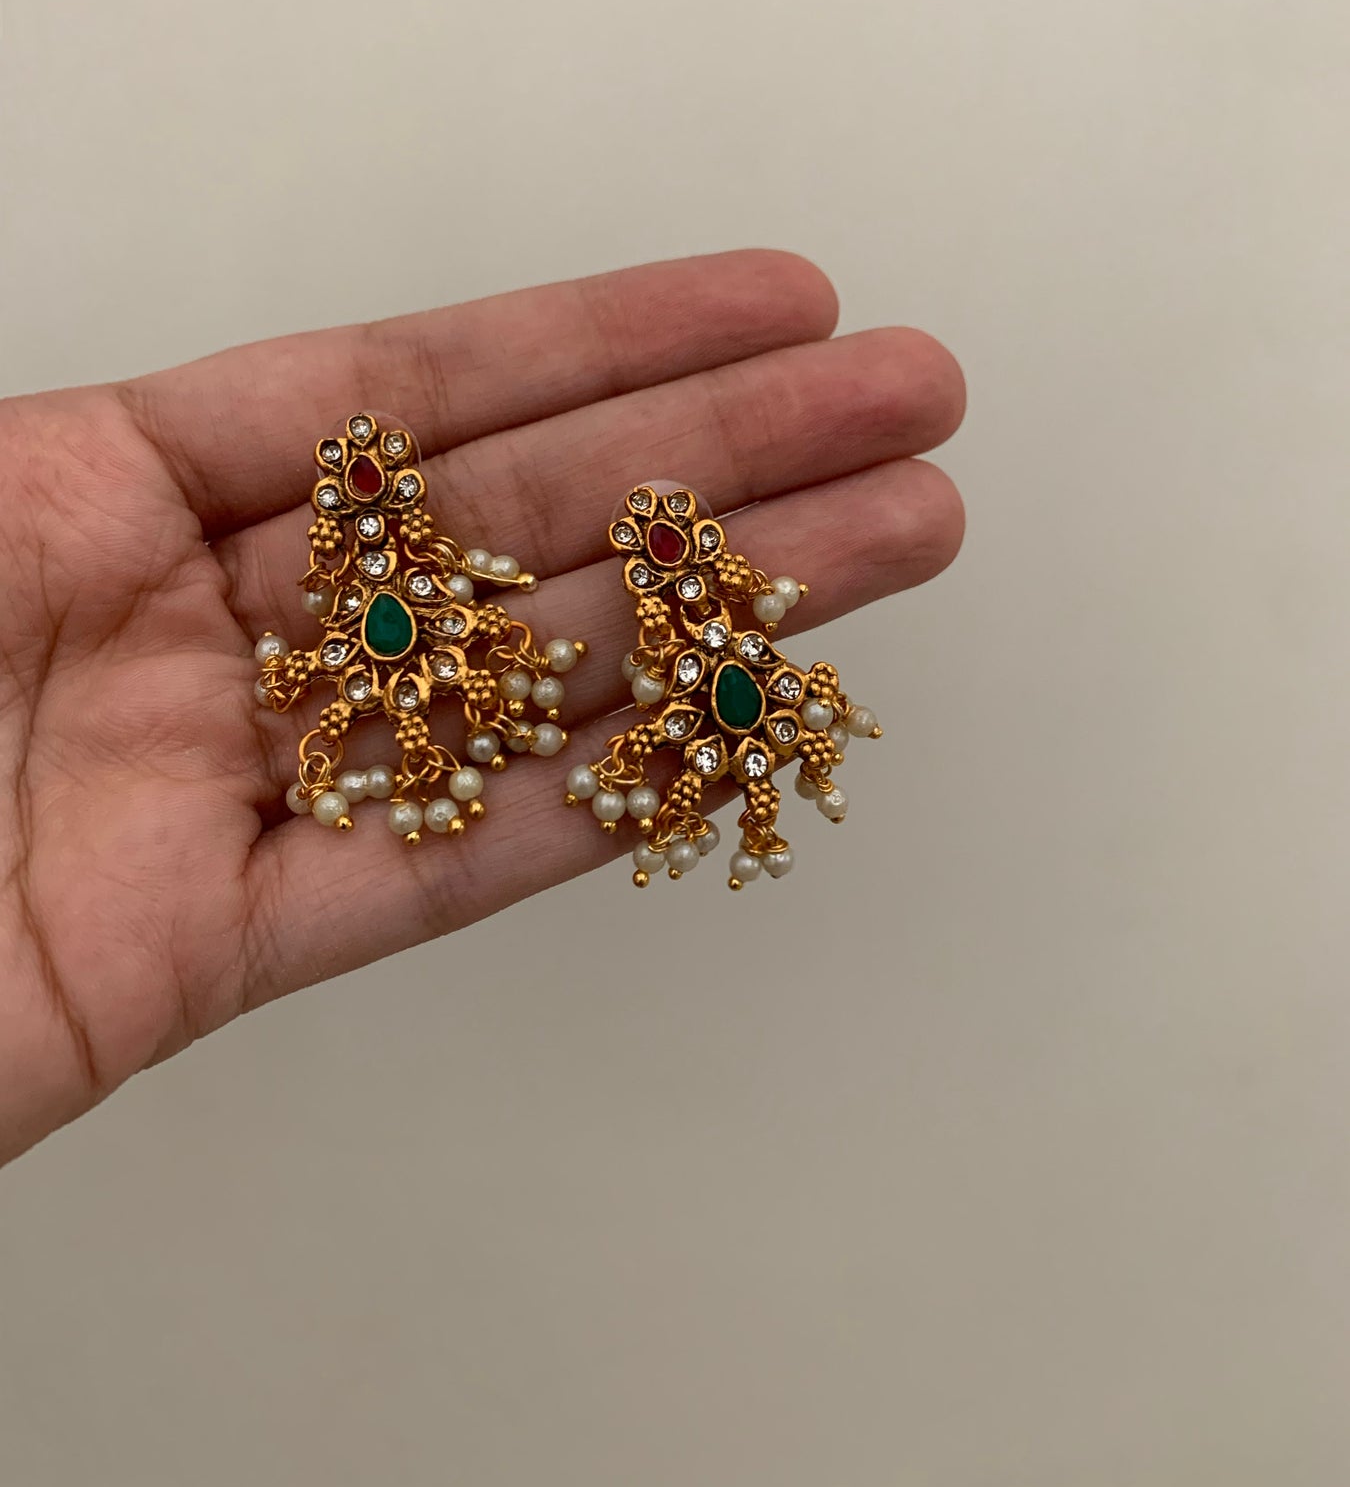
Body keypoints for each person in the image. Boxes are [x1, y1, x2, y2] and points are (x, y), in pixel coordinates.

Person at [0, 249, 965, 1165]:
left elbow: (455, 571)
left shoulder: (639, 582)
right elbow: (386, 573)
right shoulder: (368, 545)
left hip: (635, 654)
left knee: (546, 687)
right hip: (434, 635)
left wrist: (493, 585)